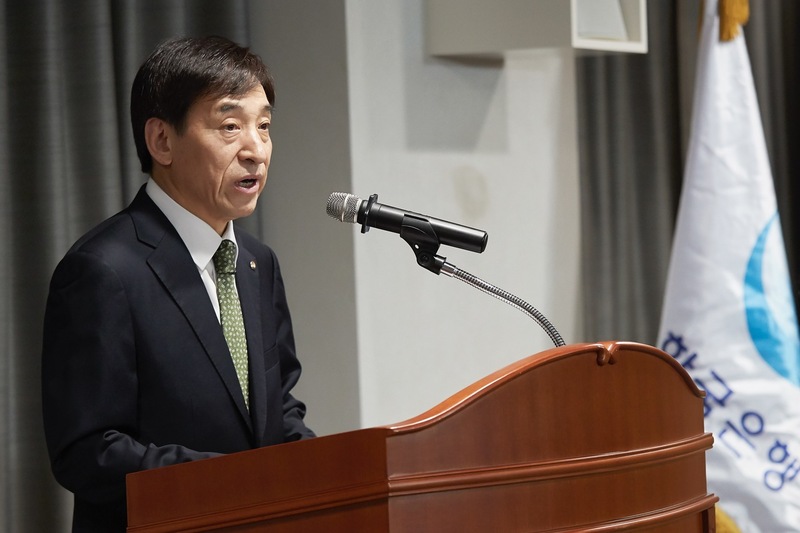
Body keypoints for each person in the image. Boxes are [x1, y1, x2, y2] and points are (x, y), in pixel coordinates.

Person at [41, 35, 315, 532]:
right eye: (231, 127)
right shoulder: (102, 270)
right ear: (162, 141)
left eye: (265, 126)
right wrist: (234, 481)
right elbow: (86, 451)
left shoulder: (257, 262)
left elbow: (280, 408)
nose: (256, 149)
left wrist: (327, 474)